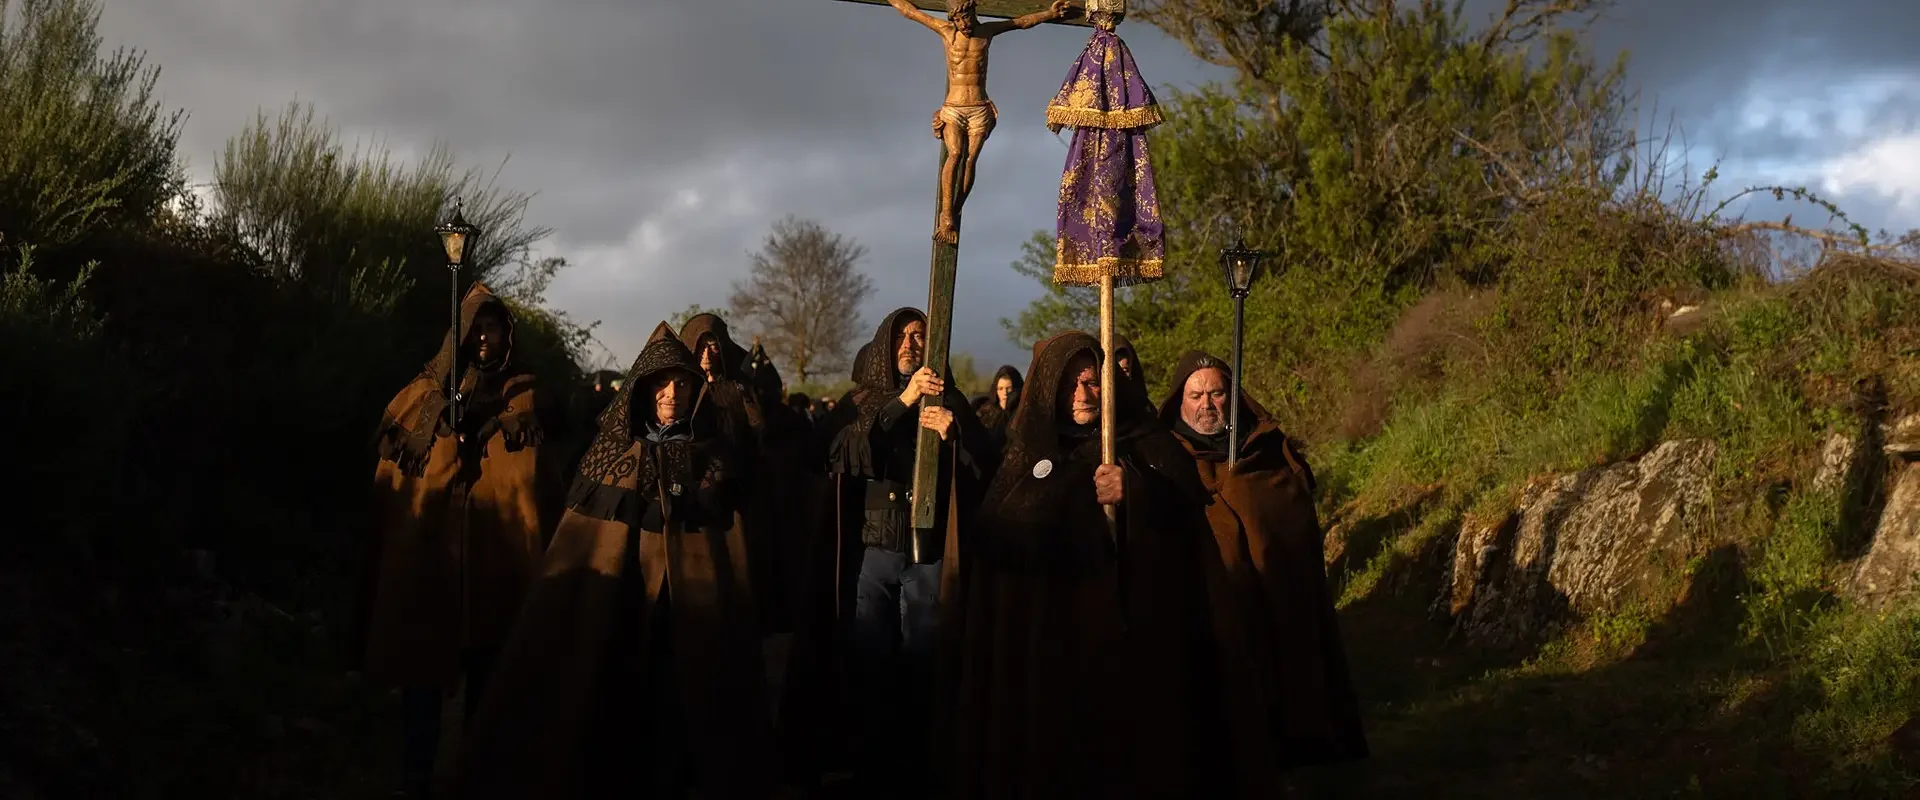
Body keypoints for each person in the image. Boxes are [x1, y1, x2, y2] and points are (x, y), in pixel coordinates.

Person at [445, 323, 777, 799]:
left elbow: (729, 550)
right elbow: (583, 542)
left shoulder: (714, 459)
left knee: (677, 710)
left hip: (687, 620)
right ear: (643, 389)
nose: (672, 393)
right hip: (617, 610)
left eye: (682, 383)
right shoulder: (610, 456)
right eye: (661, 383)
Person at [944, 331, 1219, 798]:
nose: (1083, 394)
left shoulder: (1143, 443)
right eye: (1070, 384)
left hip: (1121, 642)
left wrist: (1134, 491)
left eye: (1092, 382)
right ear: (1048, 387)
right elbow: (991, 538)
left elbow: (1188, 515)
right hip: (1039, 650)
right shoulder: (1025, 454)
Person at [780, 309, 994, 796]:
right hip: (872, 551)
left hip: (928, 551)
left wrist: (953, 434)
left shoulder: (951, 400)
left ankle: (921, 762)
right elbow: (842, 451)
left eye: (920, 335)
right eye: (902, 335)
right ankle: (870, 765)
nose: (911, 343)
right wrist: (904, 401)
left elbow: (986, 467)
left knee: (924, 659)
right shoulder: (863, 401)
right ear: (885, 343)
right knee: (871, 661)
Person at [354, 283, 548, 800]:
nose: (484, 337)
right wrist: (446, 434)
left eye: (493, 327)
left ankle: (477, 774)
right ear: (458, 337)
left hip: (493, 561)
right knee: (422, 678)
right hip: (432, 559)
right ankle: (416, 777)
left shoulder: (524, 391)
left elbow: (526, 484)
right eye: (475, 328)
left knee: (488, 674)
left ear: (507, 334)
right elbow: (404, 474)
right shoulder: (422, 393)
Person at [1159, 351, 1368, 791]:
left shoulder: (1265, 449)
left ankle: (1292, 747)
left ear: (1232, 396)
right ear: (1179, 401)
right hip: (1213, 606)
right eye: (1195, 395)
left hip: (1275, 594)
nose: (1207, 405)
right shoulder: (1163, 458)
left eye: (1216, 393)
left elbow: (1289, 514)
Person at [883, 0, 1076, 243]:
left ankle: (955, 209)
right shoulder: (946, 31)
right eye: (958, 20)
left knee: (971, 160)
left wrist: (1049, 13)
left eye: (966, 17)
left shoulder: (987, 31)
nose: (963, 24)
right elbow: (910, 12)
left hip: (979, 108)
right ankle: (946, 214)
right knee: (955, 154)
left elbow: (1021, 22)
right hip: (954, 107)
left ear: (973, 13)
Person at [975, 364, 1022, 453]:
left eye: (1008, 389)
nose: (1005, 393)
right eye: (1000, 389)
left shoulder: (1023, 413)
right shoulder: (984, 412)